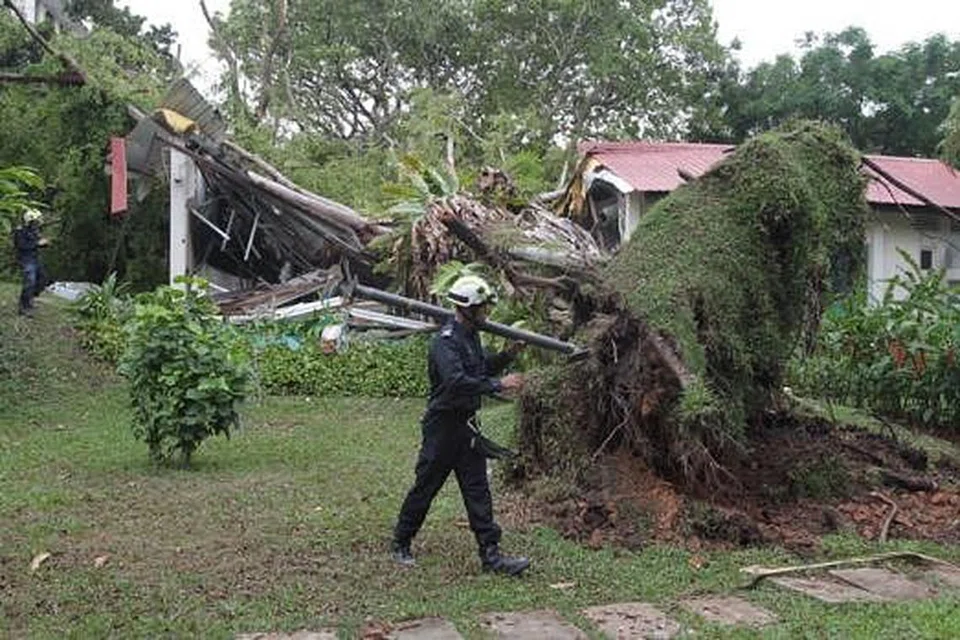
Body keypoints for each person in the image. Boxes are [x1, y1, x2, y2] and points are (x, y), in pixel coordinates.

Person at [391, 274, 530, 576]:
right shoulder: (445, 342)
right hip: (443, 428)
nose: (487, 313)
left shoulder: (471, 336)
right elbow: (456, 381)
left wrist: (507, 355)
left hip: (467, 426)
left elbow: (479, 369)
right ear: (467, 308)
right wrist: (499, 384)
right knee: (426, 486)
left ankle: (491, 556)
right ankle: (401, 541)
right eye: (483, 308)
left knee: (478, 489)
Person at [13, 209, 49, 316]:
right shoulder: (20, 231)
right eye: (36, 221)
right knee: (30, 282)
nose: (38, 222)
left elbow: (37, 243)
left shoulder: (34, 230)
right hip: (26, 259)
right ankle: (23, 307)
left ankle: (29, 299)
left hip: (35, 258)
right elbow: (22, 246)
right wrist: (37, 244)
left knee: (42, 280)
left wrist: (44, 243)